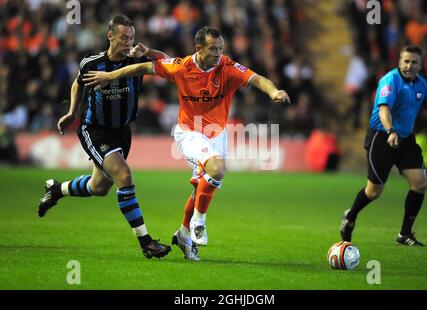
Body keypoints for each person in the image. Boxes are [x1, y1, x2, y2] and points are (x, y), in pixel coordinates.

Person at [83, 26, 291, 260]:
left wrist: (274, 91)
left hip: (217, 134)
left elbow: (256, 78)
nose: (218, 54)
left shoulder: (228, 68)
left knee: (201, 187)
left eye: (221, 49)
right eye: (213, 49)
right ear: (199, 48)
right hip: (190, 133)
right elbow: (145, 67)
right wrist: (110, 76)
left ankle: (183, 234)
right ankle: (199, 222)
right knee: (217, 169)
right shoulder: (183, 67)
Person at [37, 15, 172, 259]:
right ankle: (146, 243)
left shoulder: (136, 59)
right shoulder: (92, 63)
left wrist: (148, 50)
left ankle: (57, 189)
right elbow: (79, 83)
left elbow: (171, 63)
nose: (128, 43)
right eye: (123, 38)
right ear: (110, 36)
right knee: (124, 174)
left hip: (122, 131)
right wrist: (71, 113)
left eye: (131, 38)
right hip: (95, 129)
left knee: (98, 187)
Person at [340, 45, 427, 246]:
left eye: (414, 62)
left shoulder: (422, 85)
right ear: (399, 62)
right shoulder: (390, 80)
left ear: (420, 64)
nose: (409, 65)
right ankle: (350, 215)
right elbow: (384, 109)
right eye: (406, 61)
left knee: (420, 184)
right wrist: (391, 130)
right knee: (374, 192)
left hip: (406, 139)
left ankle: (405, 234)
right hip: (382, 137)